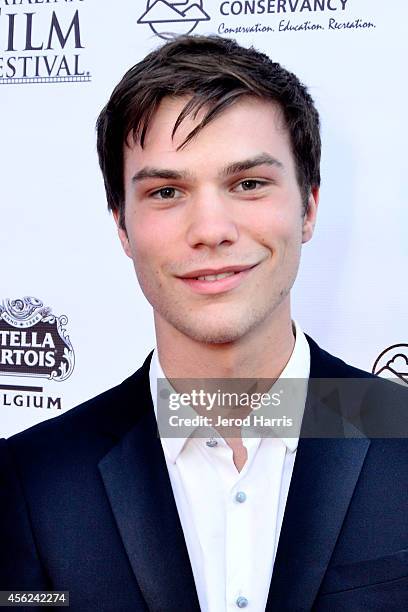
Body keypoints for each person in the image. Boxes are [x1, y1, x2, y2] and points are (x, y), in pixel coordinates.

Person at [1, 34, 408, 612]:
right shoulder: (31, 482)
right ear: (122, 226)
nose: (211, 229)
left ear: (310, 206)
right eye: (167, 191)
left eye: (248, 184)